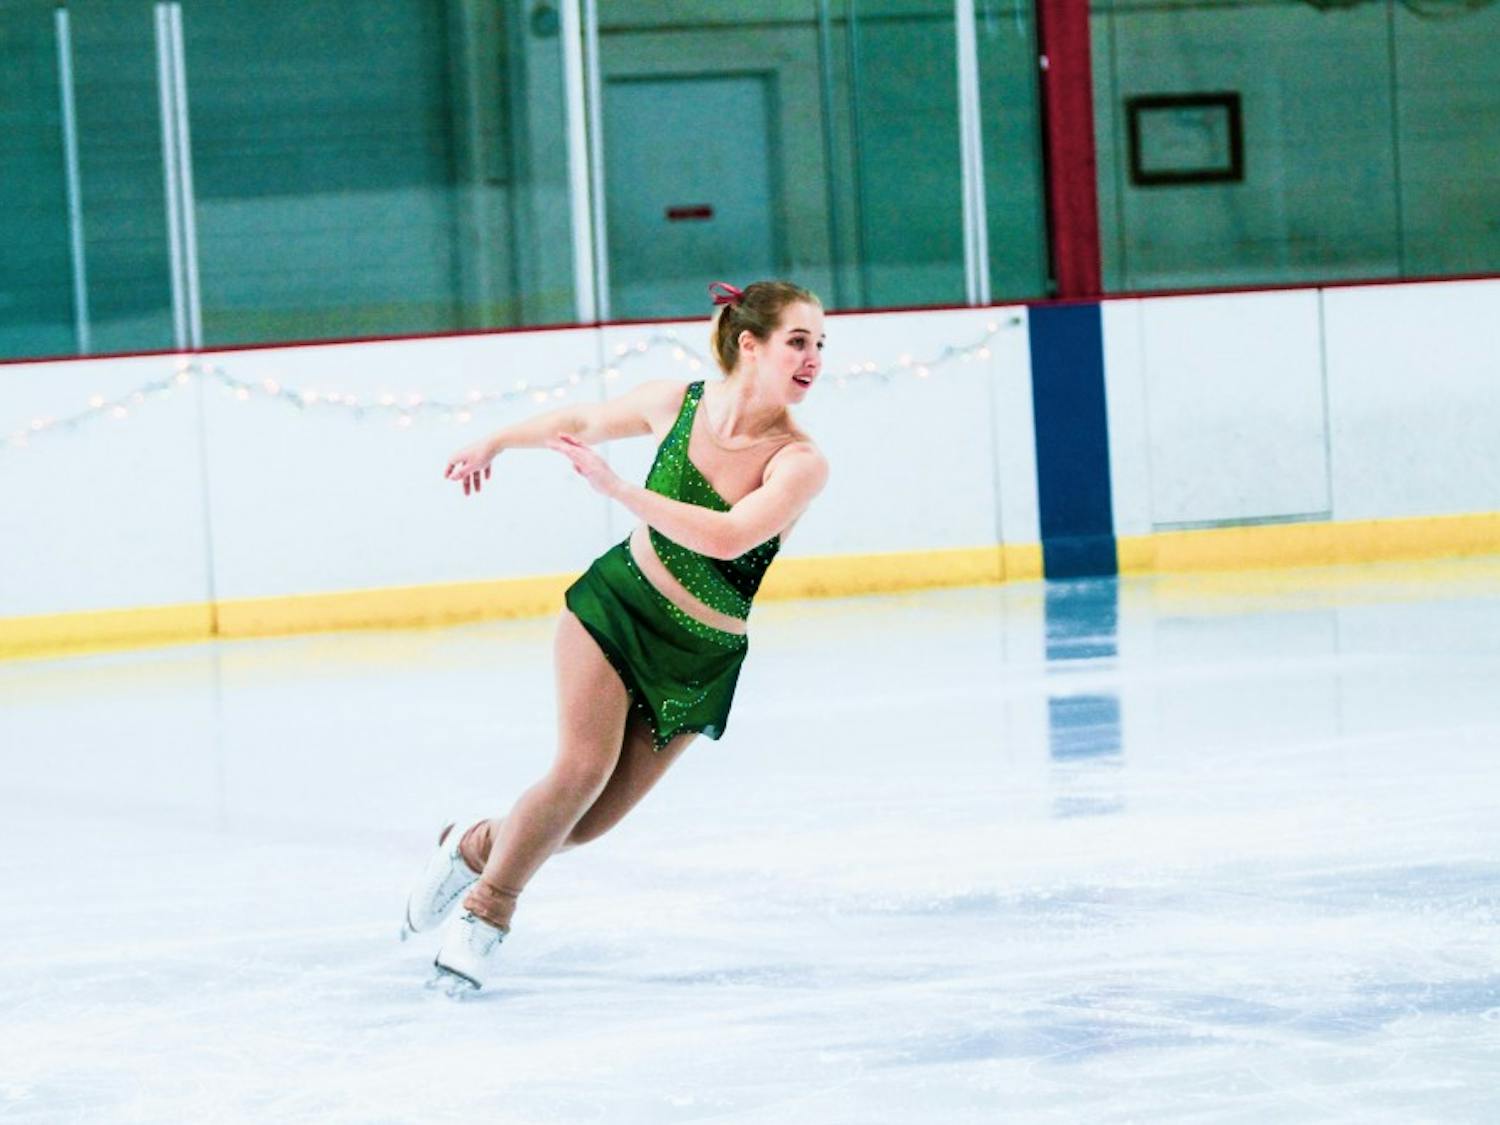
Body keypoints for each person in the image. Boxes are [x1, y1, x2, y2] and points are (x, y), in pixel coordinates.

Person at [402, 280, 829, 993]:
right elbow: (580, 418)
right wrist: (495, 440)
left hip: (697, 656)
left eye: (820, 344)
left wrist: (619, 489)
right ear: (749, 345)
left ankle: (473, 845)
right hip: (617, 606)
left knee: (587, 822)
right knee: (579, 770)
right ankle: (487, 912)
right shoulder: (675, 403)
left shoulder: (799, 461)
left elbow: (727, 539)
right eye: (799, 340)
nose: (814, 357)